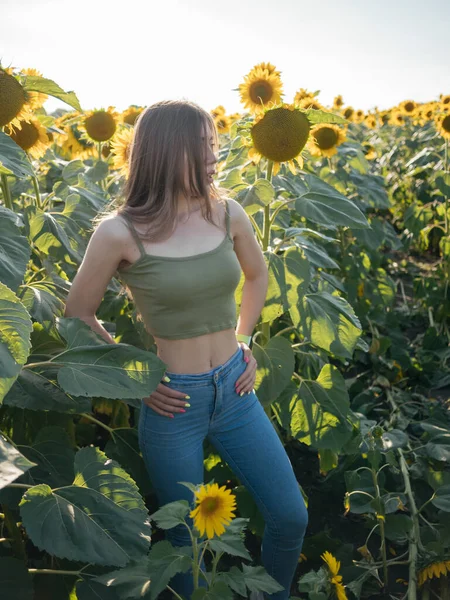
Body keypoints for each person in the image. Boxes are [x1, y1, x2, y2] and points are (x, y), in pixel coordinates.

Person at [64, 99, 308, 600]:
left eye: (213, 144)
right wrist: (135, 379)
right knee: (183, 544)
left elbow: (258, 275)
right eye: (202, 146)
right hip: (173, 403)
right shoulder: (119, 232)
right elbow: (77, 314)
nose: (214, 155)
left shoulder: (227, 211)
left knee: (291, 515)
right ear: (166, 150)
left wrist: (244, 339)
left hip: (237, 391)